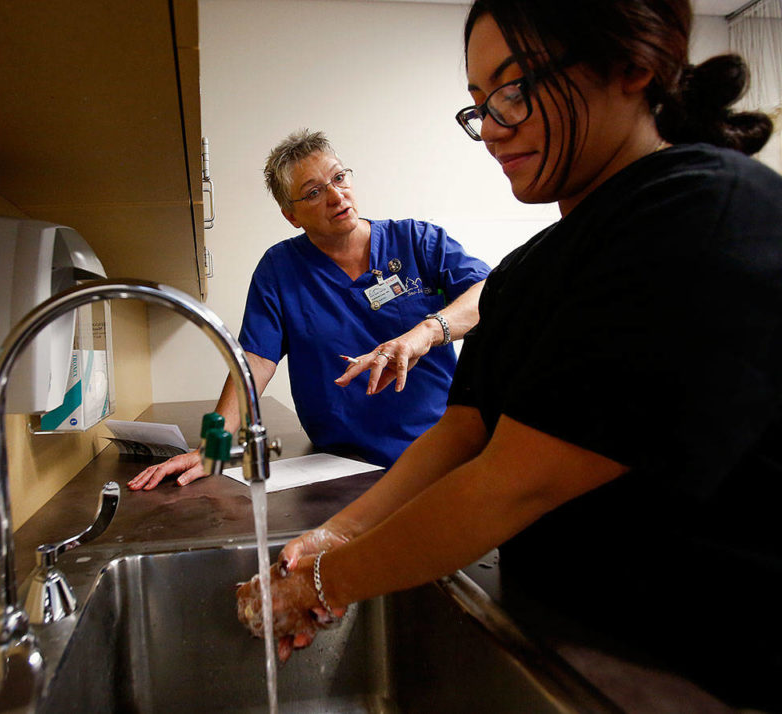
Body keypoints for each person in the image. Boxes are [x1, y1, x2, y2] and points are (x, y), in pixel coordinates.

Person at [236, 2, 782, 710]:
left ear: (633, 67)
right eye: (478, 106)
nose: (492, 127)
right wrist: (330, 538)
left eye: (515, 89)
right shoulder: (530, 270)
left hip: (702, 674)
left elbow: (511, 482)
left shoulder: (702, 212)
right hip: (566, 647)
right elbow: (461, 434)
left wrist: (319, 584)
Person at [129, 130, 489, 489]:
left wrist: (424, 334)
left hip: (440, 455)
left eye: (338, 177)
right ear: (291, 215)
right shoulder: (280, 269)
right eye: (314, 192)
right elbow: (254, 362)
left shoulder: (417, 242)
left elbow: (491, 293)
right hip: (342, 466)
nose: (336, 195)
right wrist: (213, 445)